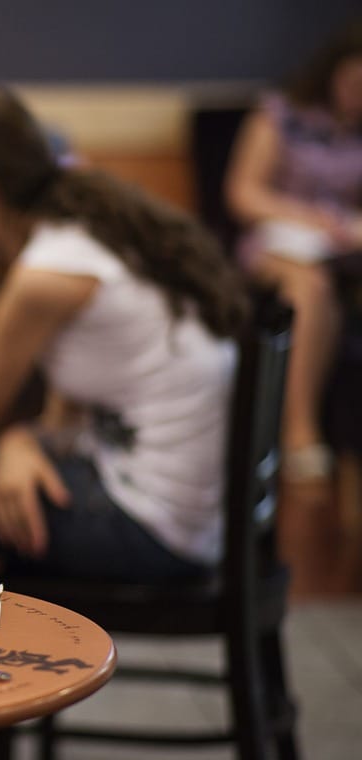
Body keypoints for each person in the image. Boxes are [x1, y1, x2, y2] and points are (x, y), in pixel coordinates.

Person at [0, 83, 251, 760]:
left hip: (149, 526)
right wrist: (25, 441)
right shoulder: (83, 227)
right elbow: (64, 412)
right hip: (172, 506)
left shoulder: (49, 271)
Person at [225, 20, 362, 487]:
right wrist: (307, 217)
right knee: (309, 286)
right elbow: (243, 193)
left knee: (321, 282)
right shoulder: (282, 112)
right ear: (335, 71)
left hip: (343, 250)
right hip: (278, 241)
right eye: (354, 83)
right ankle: (298, 429)